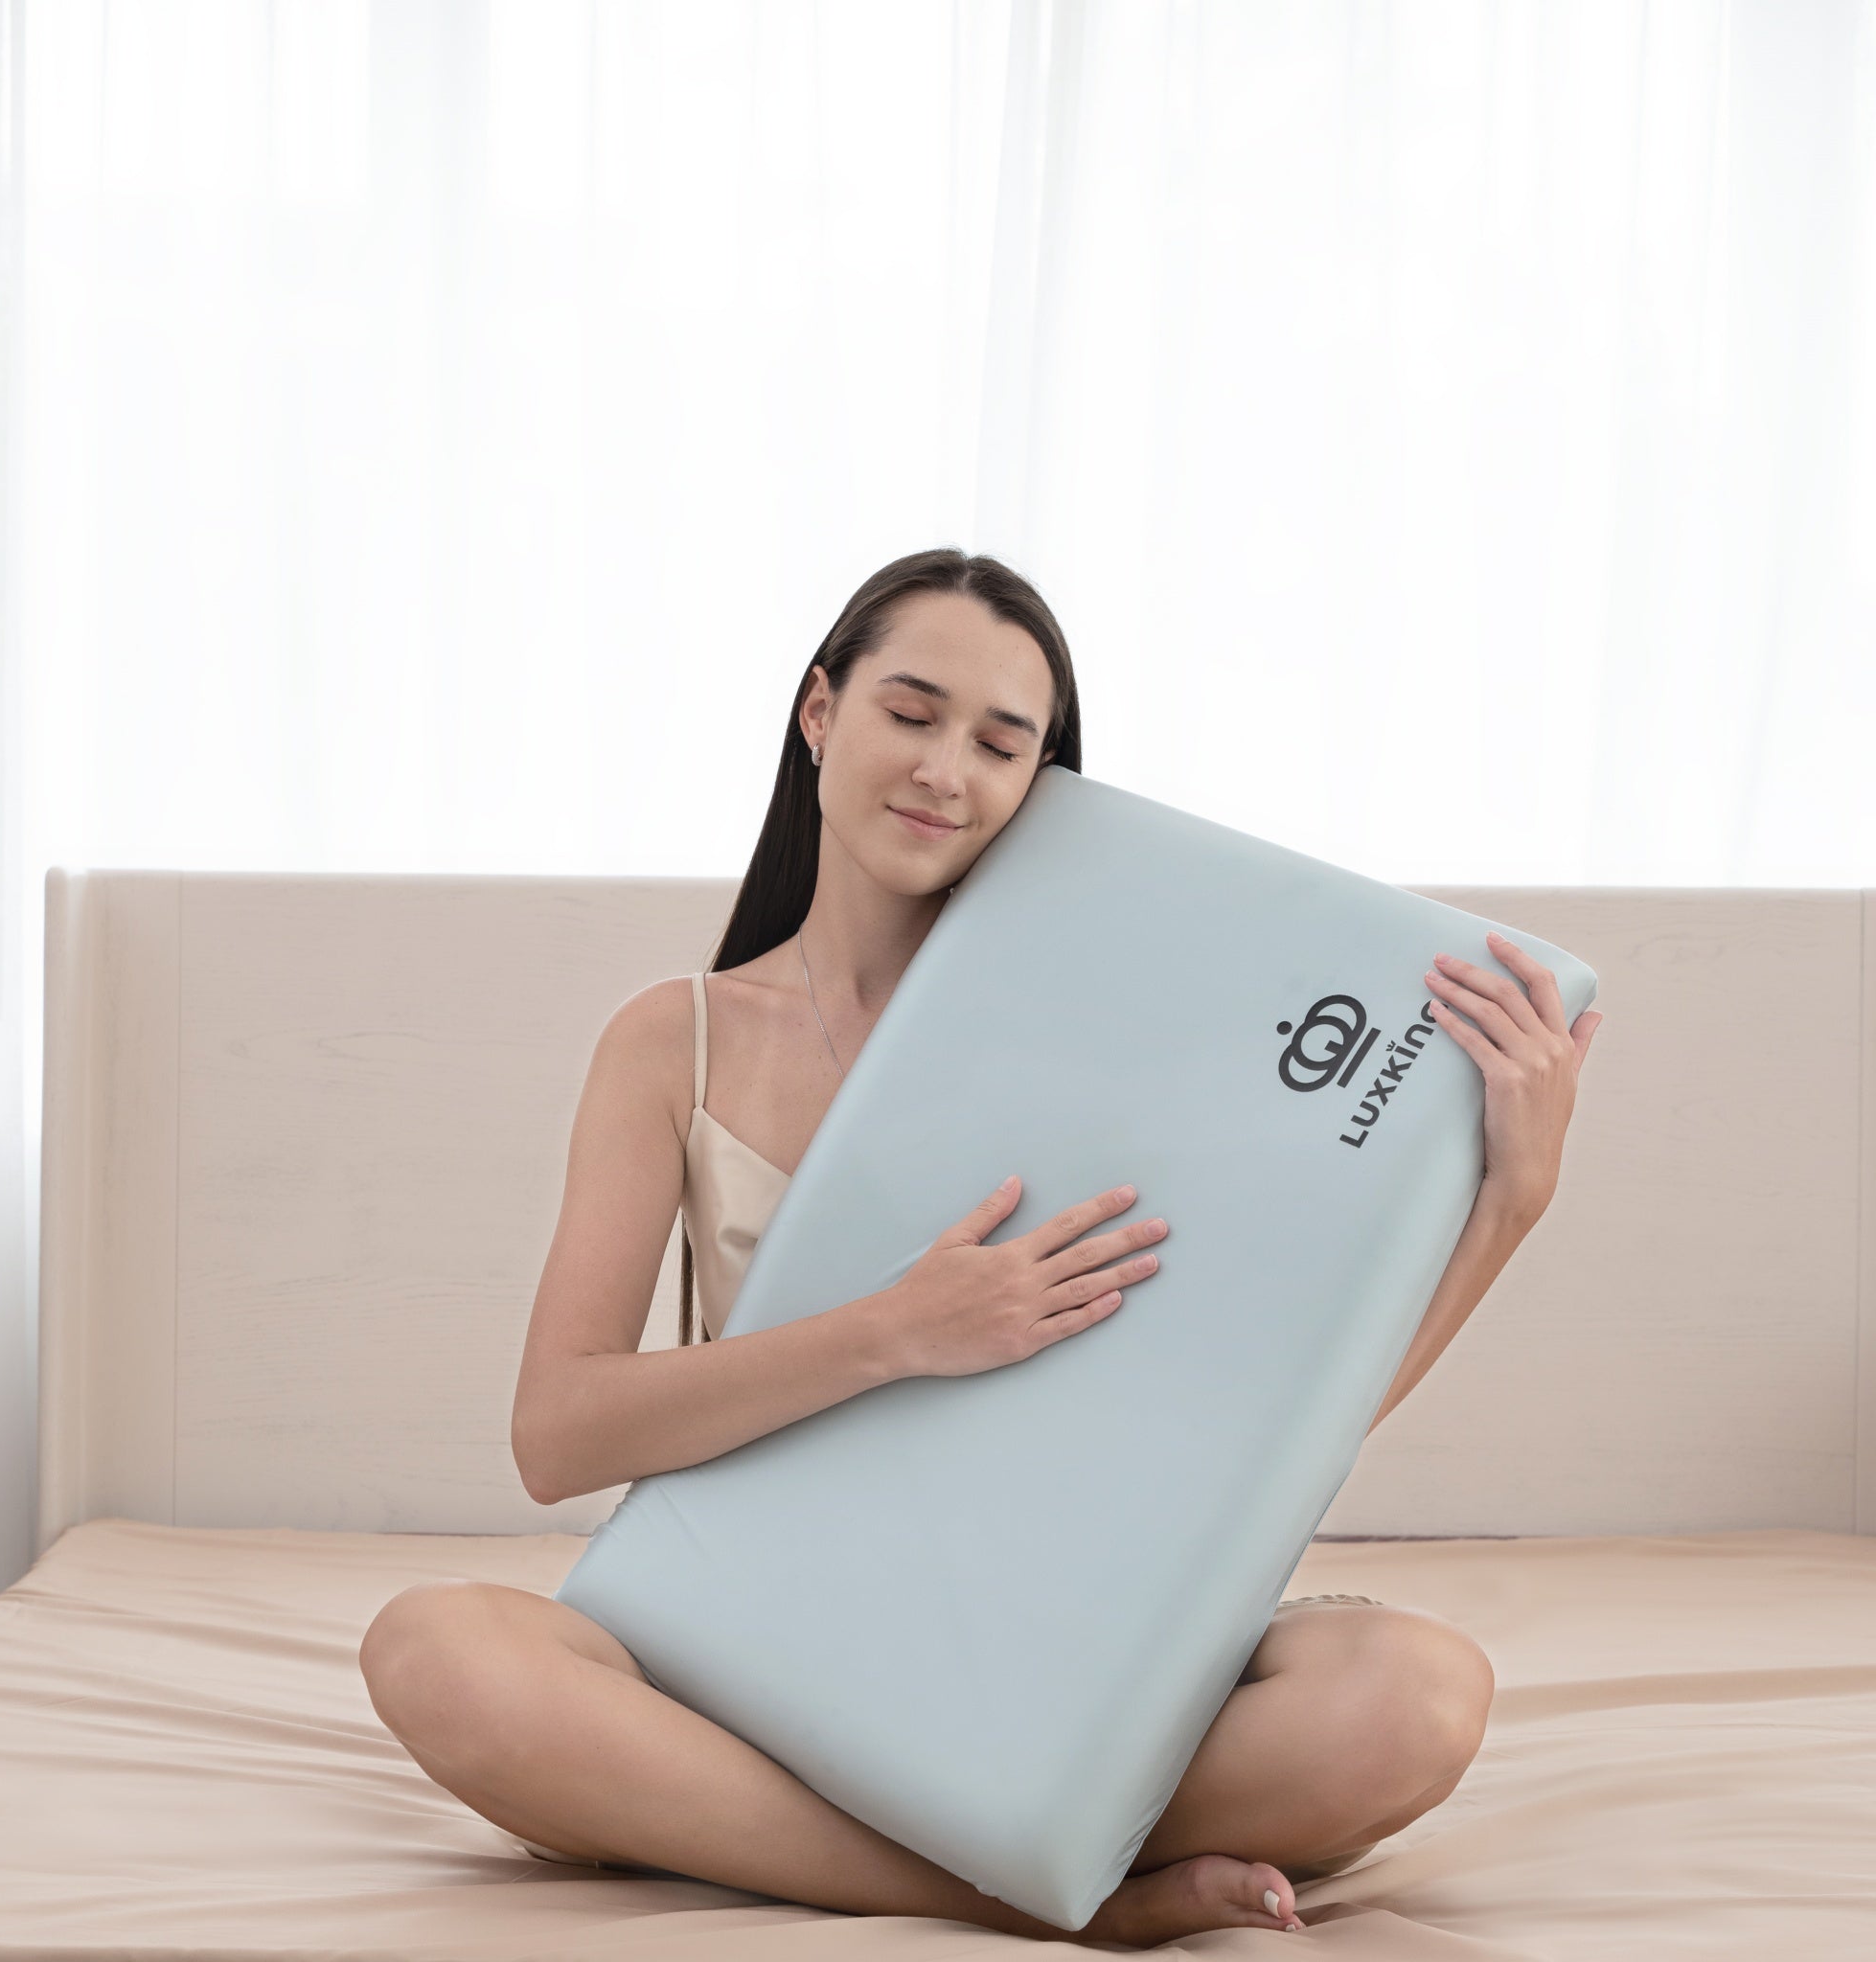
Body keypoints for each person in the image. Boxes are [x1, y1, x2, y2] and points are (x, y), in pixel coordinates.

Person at [358, 546, 1600, 1949]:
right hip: (743, 1650)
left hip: (1046, 1642)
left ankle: (891, 1837)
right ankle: (1059, 1895)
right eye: (911, 711)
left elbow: (1268, 1440)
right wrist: (895, 1330)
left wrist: (1508, 1202)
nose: (946, 768)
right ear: (820, 713)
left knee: (1415, 1696)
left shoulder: (1128, 1048)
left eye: (1001, 745)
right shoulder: (674, 1041)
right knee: (437, 1652)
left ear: (1042, 791)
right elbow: (557, 1435)